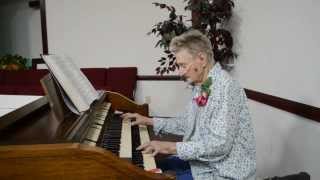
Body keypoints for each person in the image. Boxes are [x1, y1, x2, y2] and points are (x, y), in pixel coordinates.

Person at [122, 30, 256, 180]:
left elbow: (219, 145)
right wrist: (148, 120)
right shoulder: (203, 85)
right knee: (143, 167)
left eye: (183, 65)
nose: (180, 72)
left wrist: (168, 147)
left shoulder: (226, 88)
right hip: (203, 164)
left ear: (202, 59)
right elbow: (187, 122)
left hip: (223, 172)